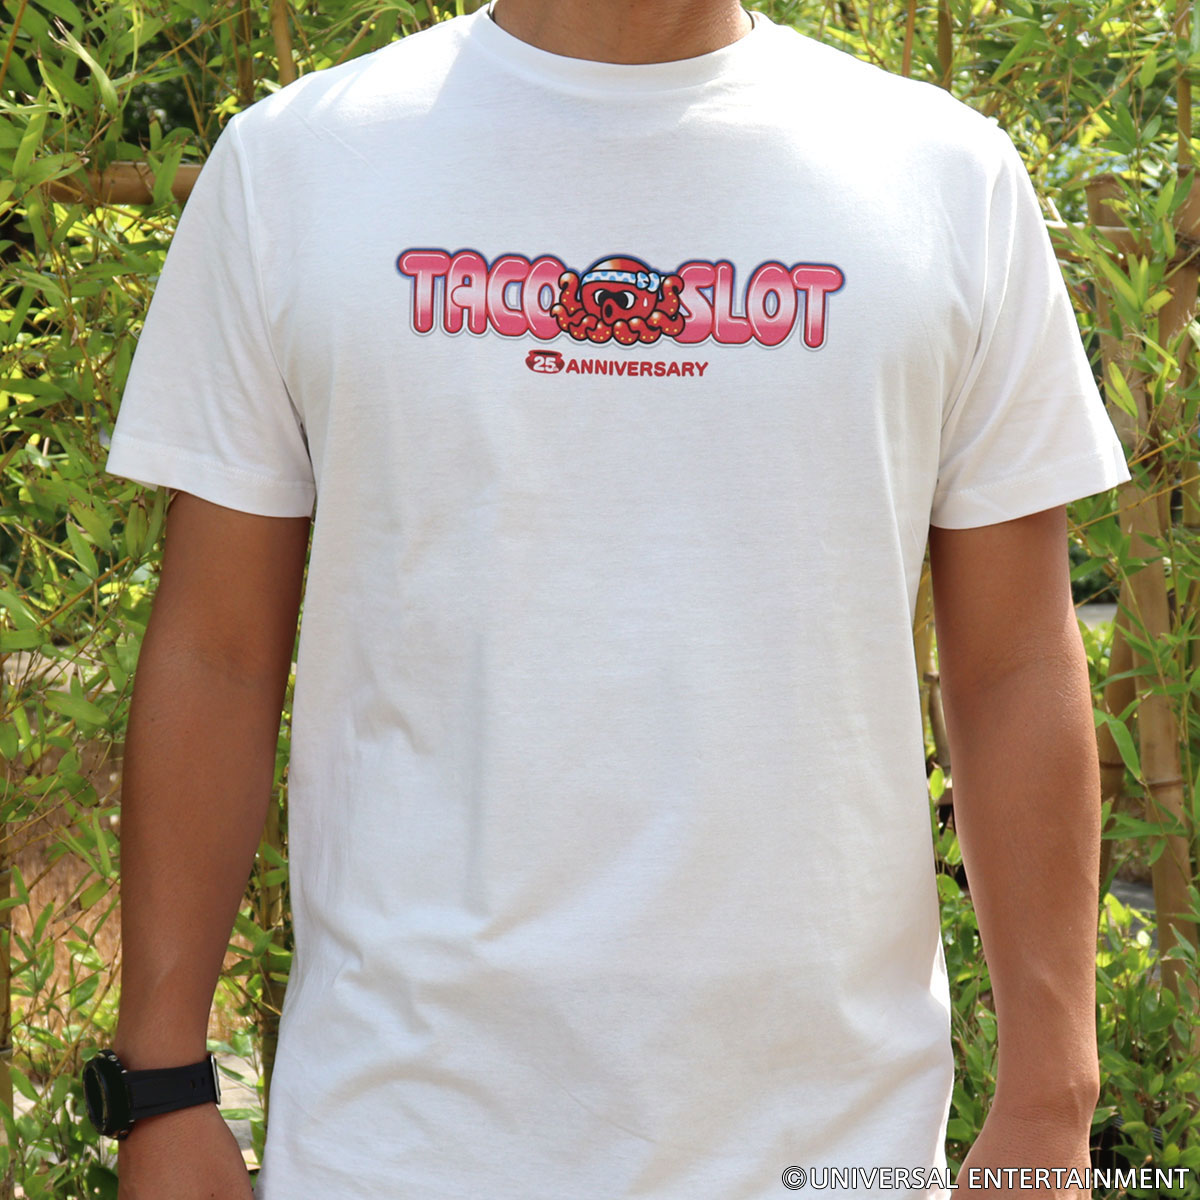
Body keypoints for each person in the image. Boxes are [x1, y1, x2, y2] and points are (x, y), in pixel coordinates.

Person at [97, 0, 1131, 1196]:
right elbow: (217, 651)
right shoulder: (299, 165)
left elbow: (1012, 664)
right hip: (400, 1139)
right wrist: (160, 1088)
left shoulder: (943, 176)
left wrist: (1050, 1102)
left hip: (836, 1144)